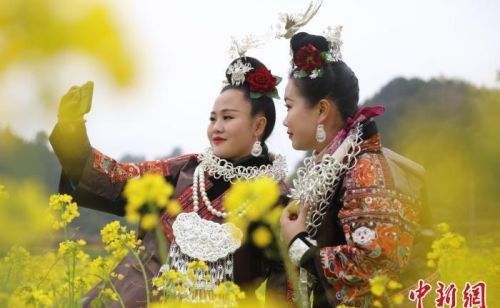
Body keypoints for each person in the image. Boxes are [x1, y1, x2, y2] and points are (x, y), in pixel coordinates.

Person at [50, 56, 289, 307]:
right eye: (212, 118)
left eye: (228, 118)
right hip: (126, 296)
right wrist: (71, 129)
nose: (216, 128)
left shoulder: (276, 198)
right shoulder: (187, 170)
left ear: (258, 125)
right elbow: (116, 178)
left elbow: (284, 285)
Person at [279, 31, 426, 307]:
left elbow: (377, 262)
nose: (285, 121)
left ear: (322, 110)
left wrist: (299, 244)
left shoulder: (365, 167)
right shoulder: (333, 165)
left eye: (289, 106)